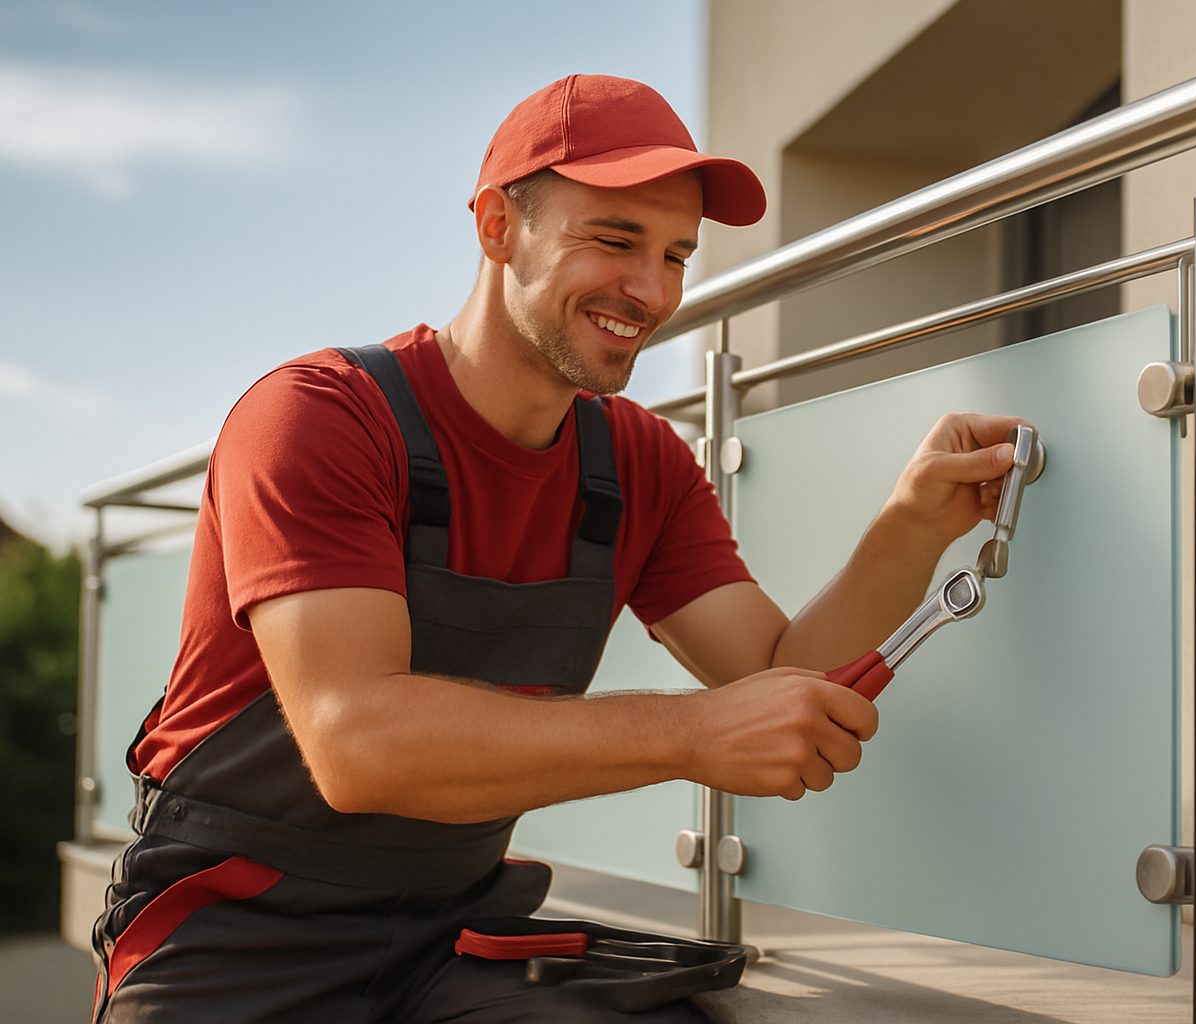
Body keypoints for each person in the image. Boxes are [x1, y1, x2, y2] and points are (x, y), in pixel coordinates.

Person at [91, 74, 1027, 1023]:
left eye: (676, 255)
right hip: (231, 939)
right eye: (615, 241)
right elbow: (359, 744)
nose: (651, 291)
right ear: (499, 226)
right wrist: (690, 735)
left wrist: (913, 523)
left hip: (449, 940)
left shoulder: (638, 464)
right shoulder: (319, 418)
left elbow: (778, 675)